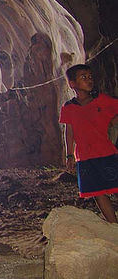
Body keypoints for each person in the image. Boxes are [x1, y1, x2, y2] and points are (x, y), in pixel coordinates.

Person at [60, 64, 118, 223]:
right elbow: (69, 131)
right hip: (84, 157)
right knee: (98, 192)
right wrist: (70, 154)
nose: (89, 80)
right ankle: (114, 225)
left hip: (106, 152)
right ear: (72, 84)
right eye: (83, 77)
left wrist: (111, 122)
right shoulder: (69, 107)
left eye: (90, 77)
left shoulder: (102, 100)